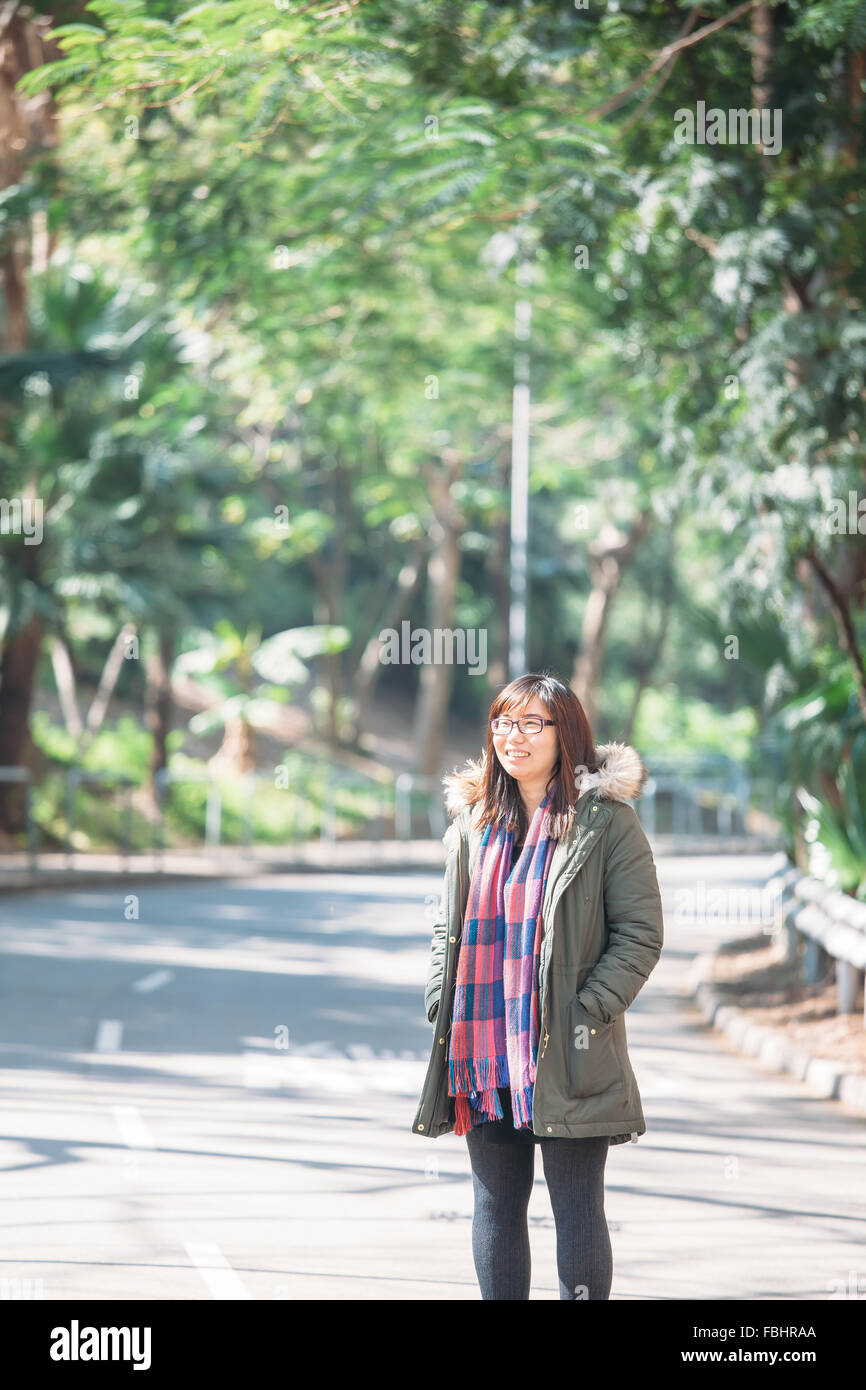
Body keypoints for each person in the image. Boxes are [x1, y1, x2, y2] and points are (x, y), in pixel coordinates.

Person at [411, 671, 664, 1300]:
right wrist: (444, 998)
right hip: (483, 1048)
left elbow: (639, 933)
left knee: (578, 1210)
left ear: (566, 732)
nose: (512, 737)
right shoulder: (474, 823)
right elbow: (448, 926)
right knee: (495, 1207)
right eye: (502, 722)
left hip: (569, 1050)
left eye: (531, 724)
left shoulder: (604, 824)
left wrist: (586, 1011)